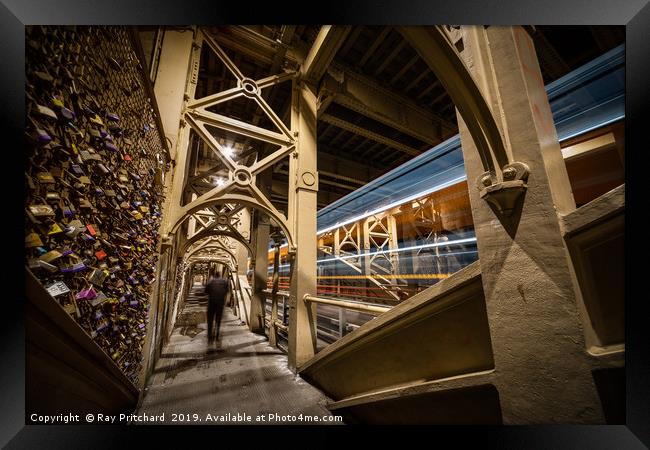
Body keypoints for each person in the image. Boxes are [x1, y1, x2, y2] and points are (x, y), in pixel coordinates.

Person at [204, 271, 230, 343]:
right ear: (220, 275)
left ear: (215, 275)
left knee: (210, 320)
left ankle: (210, 336)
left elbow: (206, 291)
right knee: (218, 320)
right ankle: (217, 334)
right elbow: (227, 291)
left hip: (211, 304)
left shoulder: (211, 282)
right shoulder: (224, 282)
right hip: (220, 304)